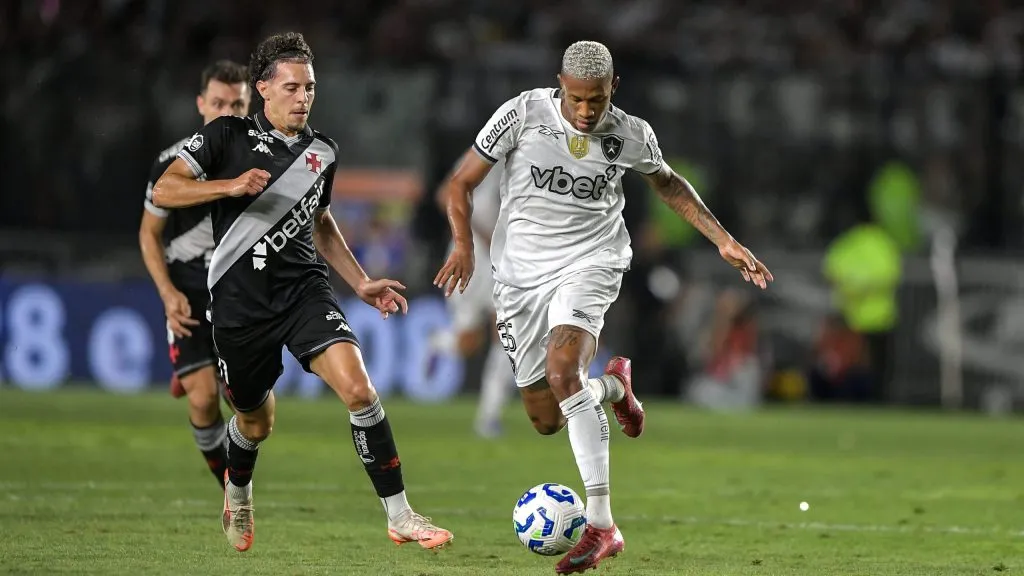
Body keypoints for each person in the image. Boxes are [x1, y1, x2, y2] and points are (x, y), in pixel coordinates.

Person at [435, 40, 772, 574]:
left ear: (613, 89)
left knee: (563, 368)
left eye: (596, 100)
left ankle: (601, 524)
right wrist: (462, 242)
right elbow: (461, 182)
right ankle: (613, 387)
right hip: (519, 276)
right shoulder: (521, 114)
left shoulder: (630, 133)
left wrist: (722, 240)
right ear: (559, 85)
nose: (586, 112)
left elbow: (669, 185)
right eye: (576, 100)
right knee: (545, 417)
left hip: (592, 261)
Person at [152, 32, 452, 553]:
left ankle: (401, 515)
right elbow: (166, 188)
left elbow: (322, 223)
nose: (303, 97)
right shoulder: (226, 137)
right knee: (255, 420)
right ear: (263, 89)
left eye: (310, 88)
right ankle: (238, 490)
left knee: (359, 390)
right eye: (292, 87)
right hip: (240, 305)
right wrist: (226, 186)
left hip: (302, 292)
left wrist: (359, 282)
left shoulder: (323, 151)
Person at [139, 59, 250, 489]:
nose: (227, 113)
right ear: (201, 104)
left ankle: (197, 367)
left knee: (248, 405)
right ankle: (231, 488)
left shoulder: (267, 160)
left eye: (237, 104)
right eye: (218, 102)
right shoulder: (172, 163)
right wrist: (167, 293)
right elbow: (149, 234)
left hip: (239, 291)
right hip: (187, 288)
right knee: (204, 401)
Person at [433, 157, 515, 438]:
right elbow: (445, 194)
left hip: (504, 263)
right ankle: (437, 343)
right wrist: (479, 235)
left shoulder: (536, 153)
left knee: (506, 337)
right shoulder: (485, 152)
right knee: (468, 343)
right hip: (470, 257)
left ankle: (489, 416)